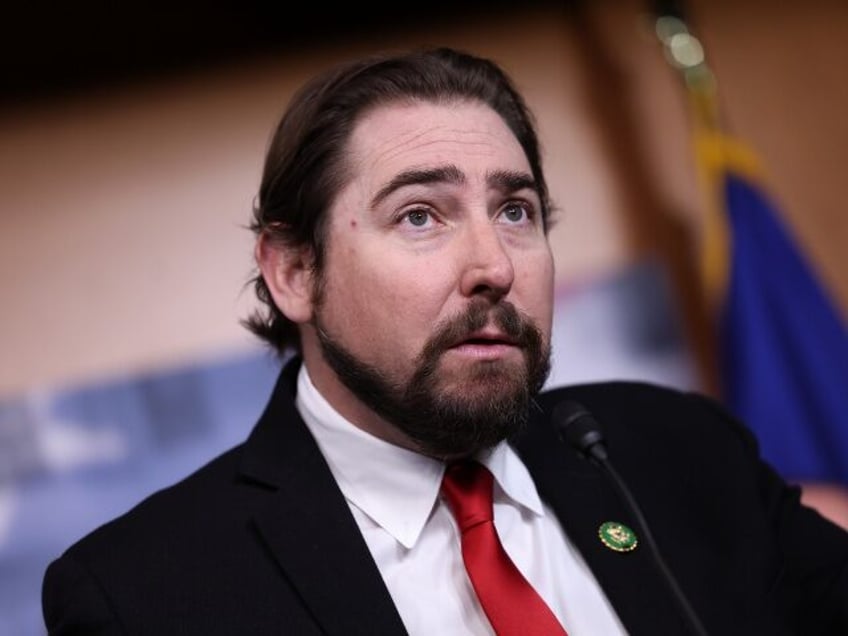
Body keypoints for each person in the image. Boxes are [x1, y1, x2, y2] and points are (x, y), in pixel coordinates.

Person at [42, 46, 848, 636]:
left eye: (515, 211)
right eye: (420, 215)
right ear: (294, 272)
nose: (494, 266)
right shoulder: (141, 594)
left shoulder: (679, 449)